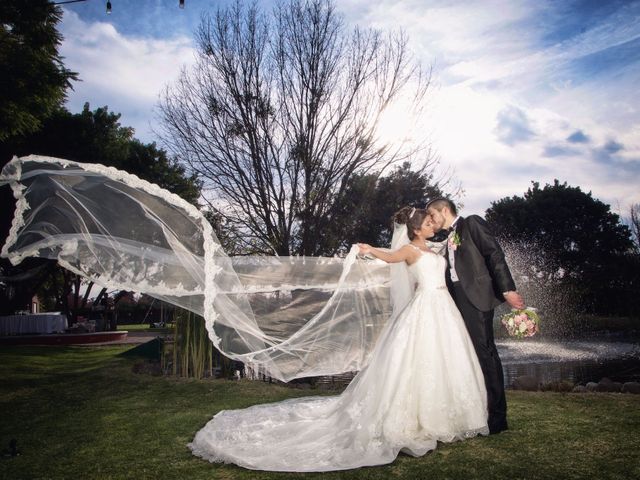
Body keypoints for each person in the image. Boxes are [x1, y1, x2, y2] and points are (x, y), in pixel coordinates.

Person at [187, 206, 489, 471]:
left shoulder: (434, 248)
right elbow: (391, 257)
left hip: (443, 308)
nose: (432, 226)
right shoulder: (410, 250)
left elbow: (452, 254)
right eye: (427, 224)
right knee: (417, 361)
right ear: (414, 228)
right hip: (424, 307)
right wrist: (370, 249)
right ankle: (413, 420)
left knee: (443, 359)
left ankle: (447, 417)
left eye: (431, 224)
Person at [426, 198, 524, 435]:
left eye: (433, 214)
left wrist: (508, 290)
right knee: (467, 354)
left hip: (476, 298)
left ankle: (498, 418)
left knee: (485, 353)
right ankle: (476, 410)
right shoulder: (448, 237)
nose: (431, 220)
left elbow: (494, 254)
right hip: (456, 299)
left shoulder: (471, 224)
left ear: (444, 210)